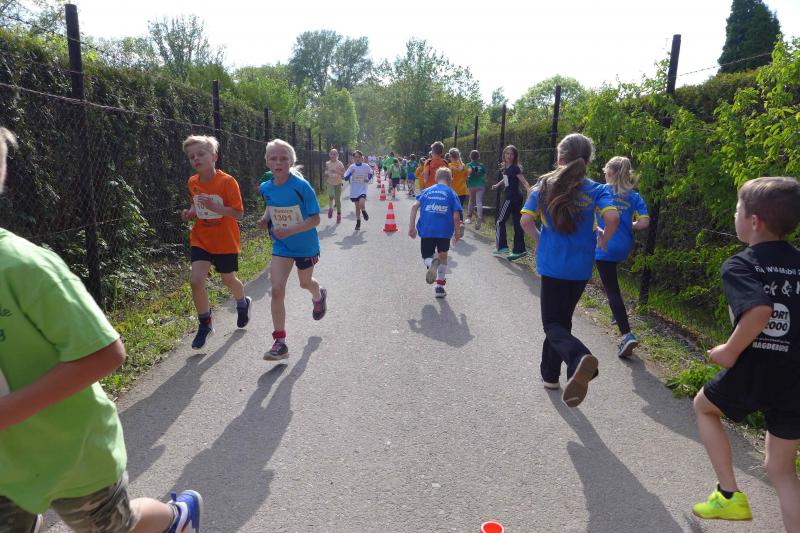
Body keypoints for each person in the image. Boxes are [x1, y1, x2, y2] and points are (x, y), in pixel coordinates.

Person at [0, 127, 203, 533]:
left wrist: (7, 412)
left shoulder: (24, 267)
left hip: (72, 454)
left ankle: (177, 517)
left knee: (118, 526)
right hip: (7, 468)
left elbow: (106, 353)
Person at [691, 177, 800, 528]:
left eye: (737, 210)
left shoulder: (742, 264)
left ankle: (728, 495)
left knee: (704, 407)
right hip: (796, 374)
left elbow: (759, 310)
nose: (734, 215)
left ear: (754, 221)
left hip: (759, 366)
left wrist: (729, 350)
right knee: (780, 469)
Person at [520, 133, 619, 408]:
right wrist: (604, 240)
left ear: (560, 158)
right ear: (587, 160)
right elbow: (612, 218)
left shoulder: (544, 184)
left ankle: (578, 358)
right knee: (561, 320)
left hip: (553, 265)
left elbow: (526, 221)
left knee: (552, 324)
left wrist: (541, 241)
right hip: (580, 268)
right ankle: (551, 375)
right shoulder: (598, 189)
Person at [258, 139, 327, 361]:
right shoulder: (265, 187)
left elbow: (315, 219)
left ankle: (318, 294)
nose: (278, 162)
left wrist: (290, 230)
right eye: (273, 158)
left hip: (305, 245)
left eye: (283, 158)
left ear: (291, 161)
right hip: (282, 245)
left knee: (305, 283)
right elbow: (271, 204)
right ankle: (280, 343)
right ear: (267, 162)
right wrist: (265, 219)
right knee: (277, 289)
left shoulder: (302, 186)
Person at [180, 135, 251, 350]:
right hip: (201, 238)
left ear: (214, 157)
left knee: (228, 280)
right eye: (192, 156)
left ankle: (243, 302)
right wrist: (190, 213)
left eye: (201, 154)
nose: (196, 159)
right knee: (196, 281)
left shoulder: (227, 182)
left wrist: (216, 207)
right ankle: (205, 323)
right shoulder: (192, 182)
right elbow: (196, 205)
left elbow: (238, 213)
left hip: (225, 240)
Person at [594, 156, 650, 358]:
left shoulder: (601, 191)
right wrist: (630, 225)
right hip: (624, 246)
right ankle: (616, 313)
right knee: (611, 279)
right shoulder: (634, 196)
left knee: (612, 290)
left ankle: (627, 334)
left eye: (605, 172)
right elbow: (644, 222)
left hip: (605, 244)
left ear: (610, 173)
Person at [408, 167, 462, 298]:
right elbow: (456, 216)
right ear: (451, 180)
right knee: (443, 256)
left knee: (427, 256)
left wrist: (412, 227)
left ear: (436, 178)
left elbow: (414, 206)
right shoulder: (452, 193)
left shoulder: (427, 191)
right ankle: (439, 287)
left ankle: (430, 263)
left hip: (427, 229)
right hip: (444, 231)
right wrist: (457, 232)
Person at [491, 145, 530, 261]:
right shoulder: (507, 168)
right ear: (504, 155)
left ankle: (502, 247)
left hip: (511, 198)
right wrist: (497, 185)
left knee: (500, 221)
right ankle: (519, 250)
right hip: (516, 198)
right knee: (518, 223)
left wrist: (529, 190)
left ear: (515, 156)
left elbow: (523, 181)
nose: (509, 156)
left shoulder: (515, 168)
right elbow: (506, 178)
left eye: (512, 154)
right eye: (507, 153)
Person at [343, 150, 374, 231]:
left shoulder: (366, 166)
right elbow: (345, 177)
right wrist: (351, 173)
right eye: (356, 157)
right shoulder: (352, 167)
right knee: (357, 207)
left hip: (363, 188)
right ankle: (358, 222)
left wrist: (368, 179)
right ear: (353, 158)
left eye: (359, 157)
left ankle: (364, 212)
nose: (357, 159)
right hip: (354, 190)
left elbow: (371, 172)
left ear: (362, 158)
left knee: (362, 203)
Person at [448, 148, 469, 238]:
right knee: (459, 209)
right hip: (463, 190)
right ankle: (460, 224)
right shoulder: (463, 166)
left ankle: (454, 228)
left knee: (452, 210)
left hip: (453, 191)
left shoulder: (449, 166)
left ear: (450, 156)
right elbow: (466, 177)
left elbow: (448, 179)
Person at [466, 150, 486, 230]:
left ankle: (469, 218)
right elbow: (484, 175)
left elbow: (468, 173)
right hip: (480, 185)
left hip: (472, 185)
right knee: (479, 202)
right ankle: (479, 217)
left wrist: (468, 178)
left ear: (470, 156)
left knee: (471, 200)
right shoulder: (482, 165)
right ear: (479, 157)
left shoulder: (468, 165)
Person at [325, 148, 345, 224]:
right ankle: (330, 209)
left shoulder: (340, 163)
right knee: (331, 196)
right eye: (331, 154)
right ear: (329, 155)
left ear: (337, 155)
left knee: (337, 200)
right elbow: (326, 171)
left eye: (334, 154)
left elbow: (343, 173)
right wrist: (326, 172)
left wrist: (337, 172)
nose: (333, 155)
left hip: (338, 183)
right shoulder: (327, 163)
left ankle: (339, 215)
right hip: (330, 182)